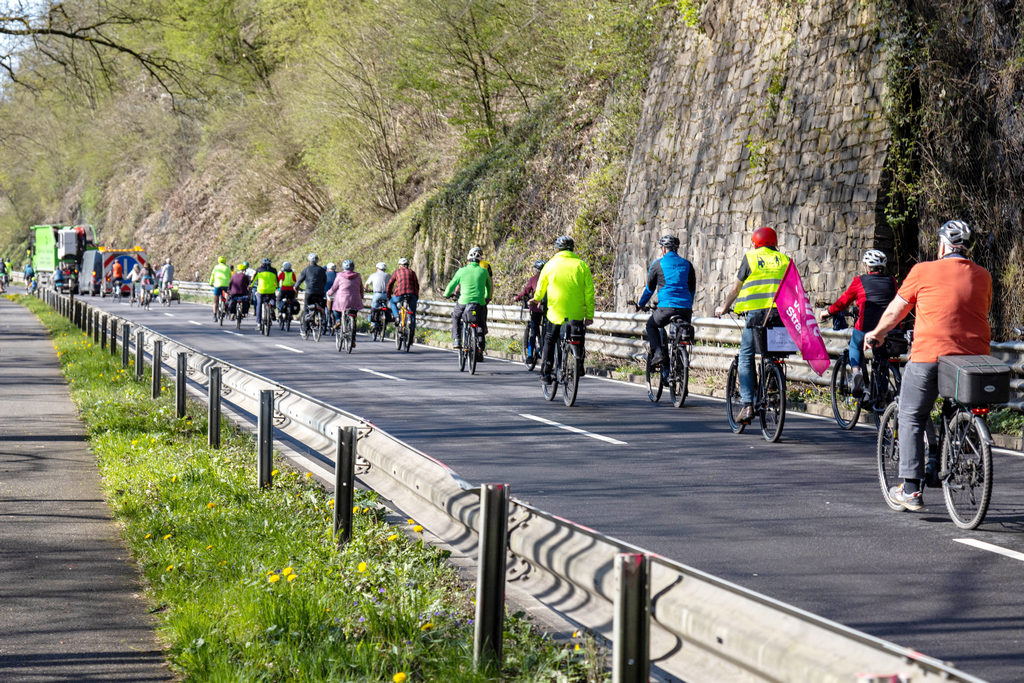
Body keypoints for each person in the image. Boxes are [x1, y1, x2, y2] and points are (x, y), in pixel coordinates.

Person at [865, 220, 992, 511]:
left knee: (911, 414)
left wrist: (877, 334)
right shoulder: (983, 276)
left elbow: (897, 310)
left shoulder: (923, 270)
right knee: (959, 404)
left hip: (930, 356)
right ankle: (953, 449)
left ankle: (910, 488)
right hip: (973, 361)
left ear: (943, 245)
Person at [713, 226, 791, 425]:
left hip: (757, 314)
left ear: (756, 242)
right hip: (781, 314)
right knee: (773, 353)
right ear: (774, 242)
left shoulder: (752, 257)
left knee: (746, 355)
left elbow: (736, 289)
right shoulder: (786, 260)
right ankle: (773, 381)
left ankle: (748, 405)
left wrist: (724, 307)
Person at [818, 249, 896, 396]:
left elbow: (843, 301)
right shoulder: (892, 281)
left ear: (867, 266)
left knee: (855, 344)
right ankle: (881, 397)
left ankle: (856, 372)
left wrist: (828, 312)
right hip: (888, 329)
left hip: (866, 327)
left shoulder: (860, 281)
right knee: (882, 356)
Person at [533, 236, 595, 385]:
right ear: (572, 249)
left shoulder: (550, 265)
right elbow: (589, 293)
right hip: (576, 313)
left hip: (555, 313)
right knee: (578, 337)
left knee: (549, 339)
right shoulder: (582, 265)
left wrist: (537, 298)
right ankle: (579, 366)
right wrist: (589, 315)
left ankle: (546, 372)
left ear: (558, 249)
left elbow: (541, 287)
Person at [636, 234, 696, 368]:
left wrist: (641, 304)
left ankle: (658, 353)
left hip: (666, 308)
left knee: (651, 325)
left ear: (664, 249)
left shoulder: (658, 264)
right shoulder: (687, 264)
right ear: (676, 249)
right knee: (680, 335)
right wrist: (688, 305)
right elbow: (692, 289)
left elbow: (649, 289)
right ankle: (680, 367)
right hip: (685, 308)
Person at [444, 247, 493, 357]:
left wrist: (446, 294)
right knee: (481, 322)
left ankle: (457, 339)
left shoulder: (462, 271)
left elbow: (452, 284)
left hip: (463, 302)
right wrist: (487, 297)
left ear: (468, 259)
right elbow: (489, 287)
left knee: (456, 316)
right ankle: (480, 344)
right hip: (479, 303)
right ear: (480, 260)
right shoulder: (484, 271)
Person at [327, 260, 364, 343]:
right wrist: (361, 296)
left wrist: (329, 293)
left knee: (335, 309)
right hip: (355, 300)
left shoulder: (339, 275)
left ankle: (338, 321)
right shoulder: (358, 276)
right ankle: (353, 339)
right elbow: (361, 288)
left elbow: (334, 287)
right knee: (354, 317)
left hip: (342, 300)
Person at [514, 259, 547, 349]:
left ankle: (529, 355)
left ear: (536, 270)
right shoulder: (549, 279)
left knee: (533, 331)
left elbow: (525, 291)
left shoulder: (533, 279)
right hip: (549, 308)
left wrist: (517, 298)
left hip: (536, 307)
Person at [386, 257, 420, 336]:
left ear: (400, 266)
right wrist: (416, 295)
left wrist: (389, 294)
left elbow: (390, 284)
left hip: (400, 294)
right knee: (412, 313)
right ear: (407, 265)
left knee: (392, 301)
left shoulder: (397, 272)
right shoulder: (412, 272)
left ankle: (396, 316)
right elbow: (417, 285)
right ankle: (412, 332)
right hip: (412, 294)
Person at [296, 253, 327, 338]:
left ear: (309, 261)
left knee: (306, 309)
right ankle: (322, 320)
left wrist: (296, 287)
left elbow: (299, 281)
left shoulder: (306, 270)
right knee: (320, 307)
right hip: (320, 292)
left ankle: (305, 329)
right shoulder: (321, 270)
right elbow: (324, 281)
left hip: (309, 292)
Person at [253, 258, 278, 325]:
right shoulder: (274, 270)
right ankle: (272, 308)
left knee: (259, 304)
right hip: (271, 290)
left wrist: (250, 285)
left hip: (261, 290)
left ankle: (258, 321)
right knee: (272, 299)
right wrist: (277, 287)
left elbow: (254, 279)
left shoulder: (259, 270)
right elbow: (276, 280)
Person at [365, 261, 391, 326]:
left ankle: (373, 324)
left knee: (374, 308)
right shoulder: (388, 275)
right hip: (386, 295)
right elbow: (391, 285)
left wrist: (367, 289)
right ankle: (386, 322)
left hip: (377, 294)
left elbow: (366, 284)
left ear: (377, 268)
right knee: (386, 307)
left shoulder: (373, 275)